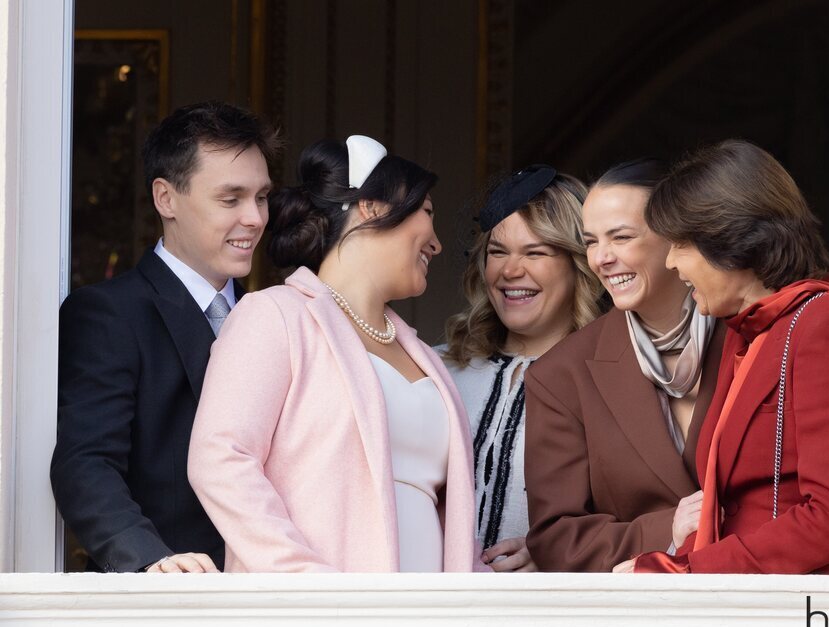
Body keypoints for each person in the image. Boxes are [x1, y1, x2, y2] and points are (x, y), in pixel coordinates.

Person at [188, 135, 485, 572]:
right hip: (319, 621)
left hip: (429, 624)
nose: (437, 243)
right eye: (426, 213)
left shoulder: (424, 356)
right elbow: (221, 459)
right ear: (373, 207)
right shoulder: (275, 315)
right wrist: (308, 584)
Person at [615, 140, 829, 574]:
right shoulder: (747, 332)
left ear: (730, 238)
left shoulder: (826, 322)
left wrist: (682, 574)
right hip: (746, 605)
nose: (671, 262)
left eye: (681, 244)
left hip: (805, 615)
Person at [51, 101, 279, 573]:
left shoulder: (278, 317)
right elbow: (86, 462)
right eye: (231, 198)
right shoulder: (109, 314)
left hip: (280, 596)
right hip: (168, 606)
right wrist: (151, 560)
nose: (256, 218)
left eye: (261, 197)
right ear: (165, 198)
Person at [523, 159, 727, 572]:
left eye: (621, 237)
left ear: (676, 239)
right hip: (639, 615)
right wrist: (666, 529)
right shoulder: (560, 375)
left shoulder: (752, 336)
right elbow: (556, 537)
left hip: (763, 593)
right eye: (591, 242)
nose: (601, 258)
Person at [439, 166, 604, 572]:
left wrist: (555, 547)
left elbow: (647, 511)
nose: (510, 271)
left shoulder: (614, 378)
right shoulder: (435, 369)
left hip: (551, 618)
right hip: (433, 612)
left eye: (535, 252)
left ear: (577, 263)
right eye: (497, 252)